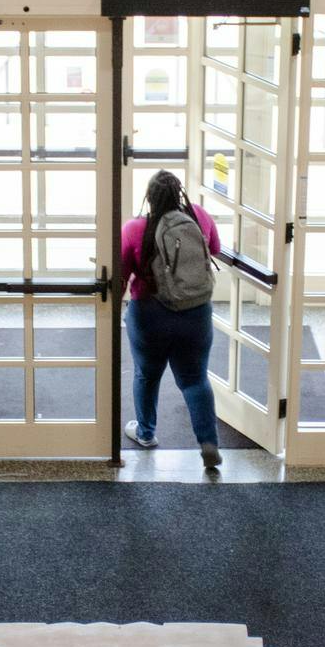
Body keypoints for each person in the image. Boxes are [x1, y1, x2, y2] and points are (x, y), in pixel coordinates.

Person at [120, 170, 223, 471]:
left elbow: (123, 273)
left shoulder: (134, 228)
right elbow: (213, 250)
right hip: (196, 312)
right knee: (195, 379)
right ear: (179, 194)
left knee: (147, 375)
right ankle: (208, 444)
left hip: (149, 315)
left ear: (149, 198)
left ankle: (146, 433)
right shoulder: (199, 217)